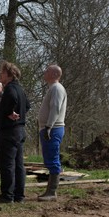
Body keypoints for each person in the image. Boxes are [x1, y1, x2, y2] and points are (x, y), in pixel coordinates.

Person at [0, 61, 30, 204]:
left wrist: (10, 112)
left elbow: (13, 99)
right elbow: (27, 105)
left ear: (9, 74)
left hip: (9, 131)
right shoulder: (20, 89)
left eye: (2, 72)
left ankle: (7, 196)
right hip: (20, 130)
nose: (0, 75)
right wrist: (18, 113)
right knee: (19, 164)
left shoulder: (9, 89)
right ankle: (19, 195)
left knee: (7, 164)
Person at [38, 64, 67, 201]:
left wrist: (49, 126)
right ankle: (49, 191)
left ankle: (52, 192)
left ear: (55, 74)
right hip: (50, 128)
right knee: (49, 158)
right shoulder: (53, 88)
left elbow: (55, 108)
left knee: (53, 159)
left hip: (53, 129)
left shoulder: (56, 88)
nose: (45, 72)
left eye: (48, 70)